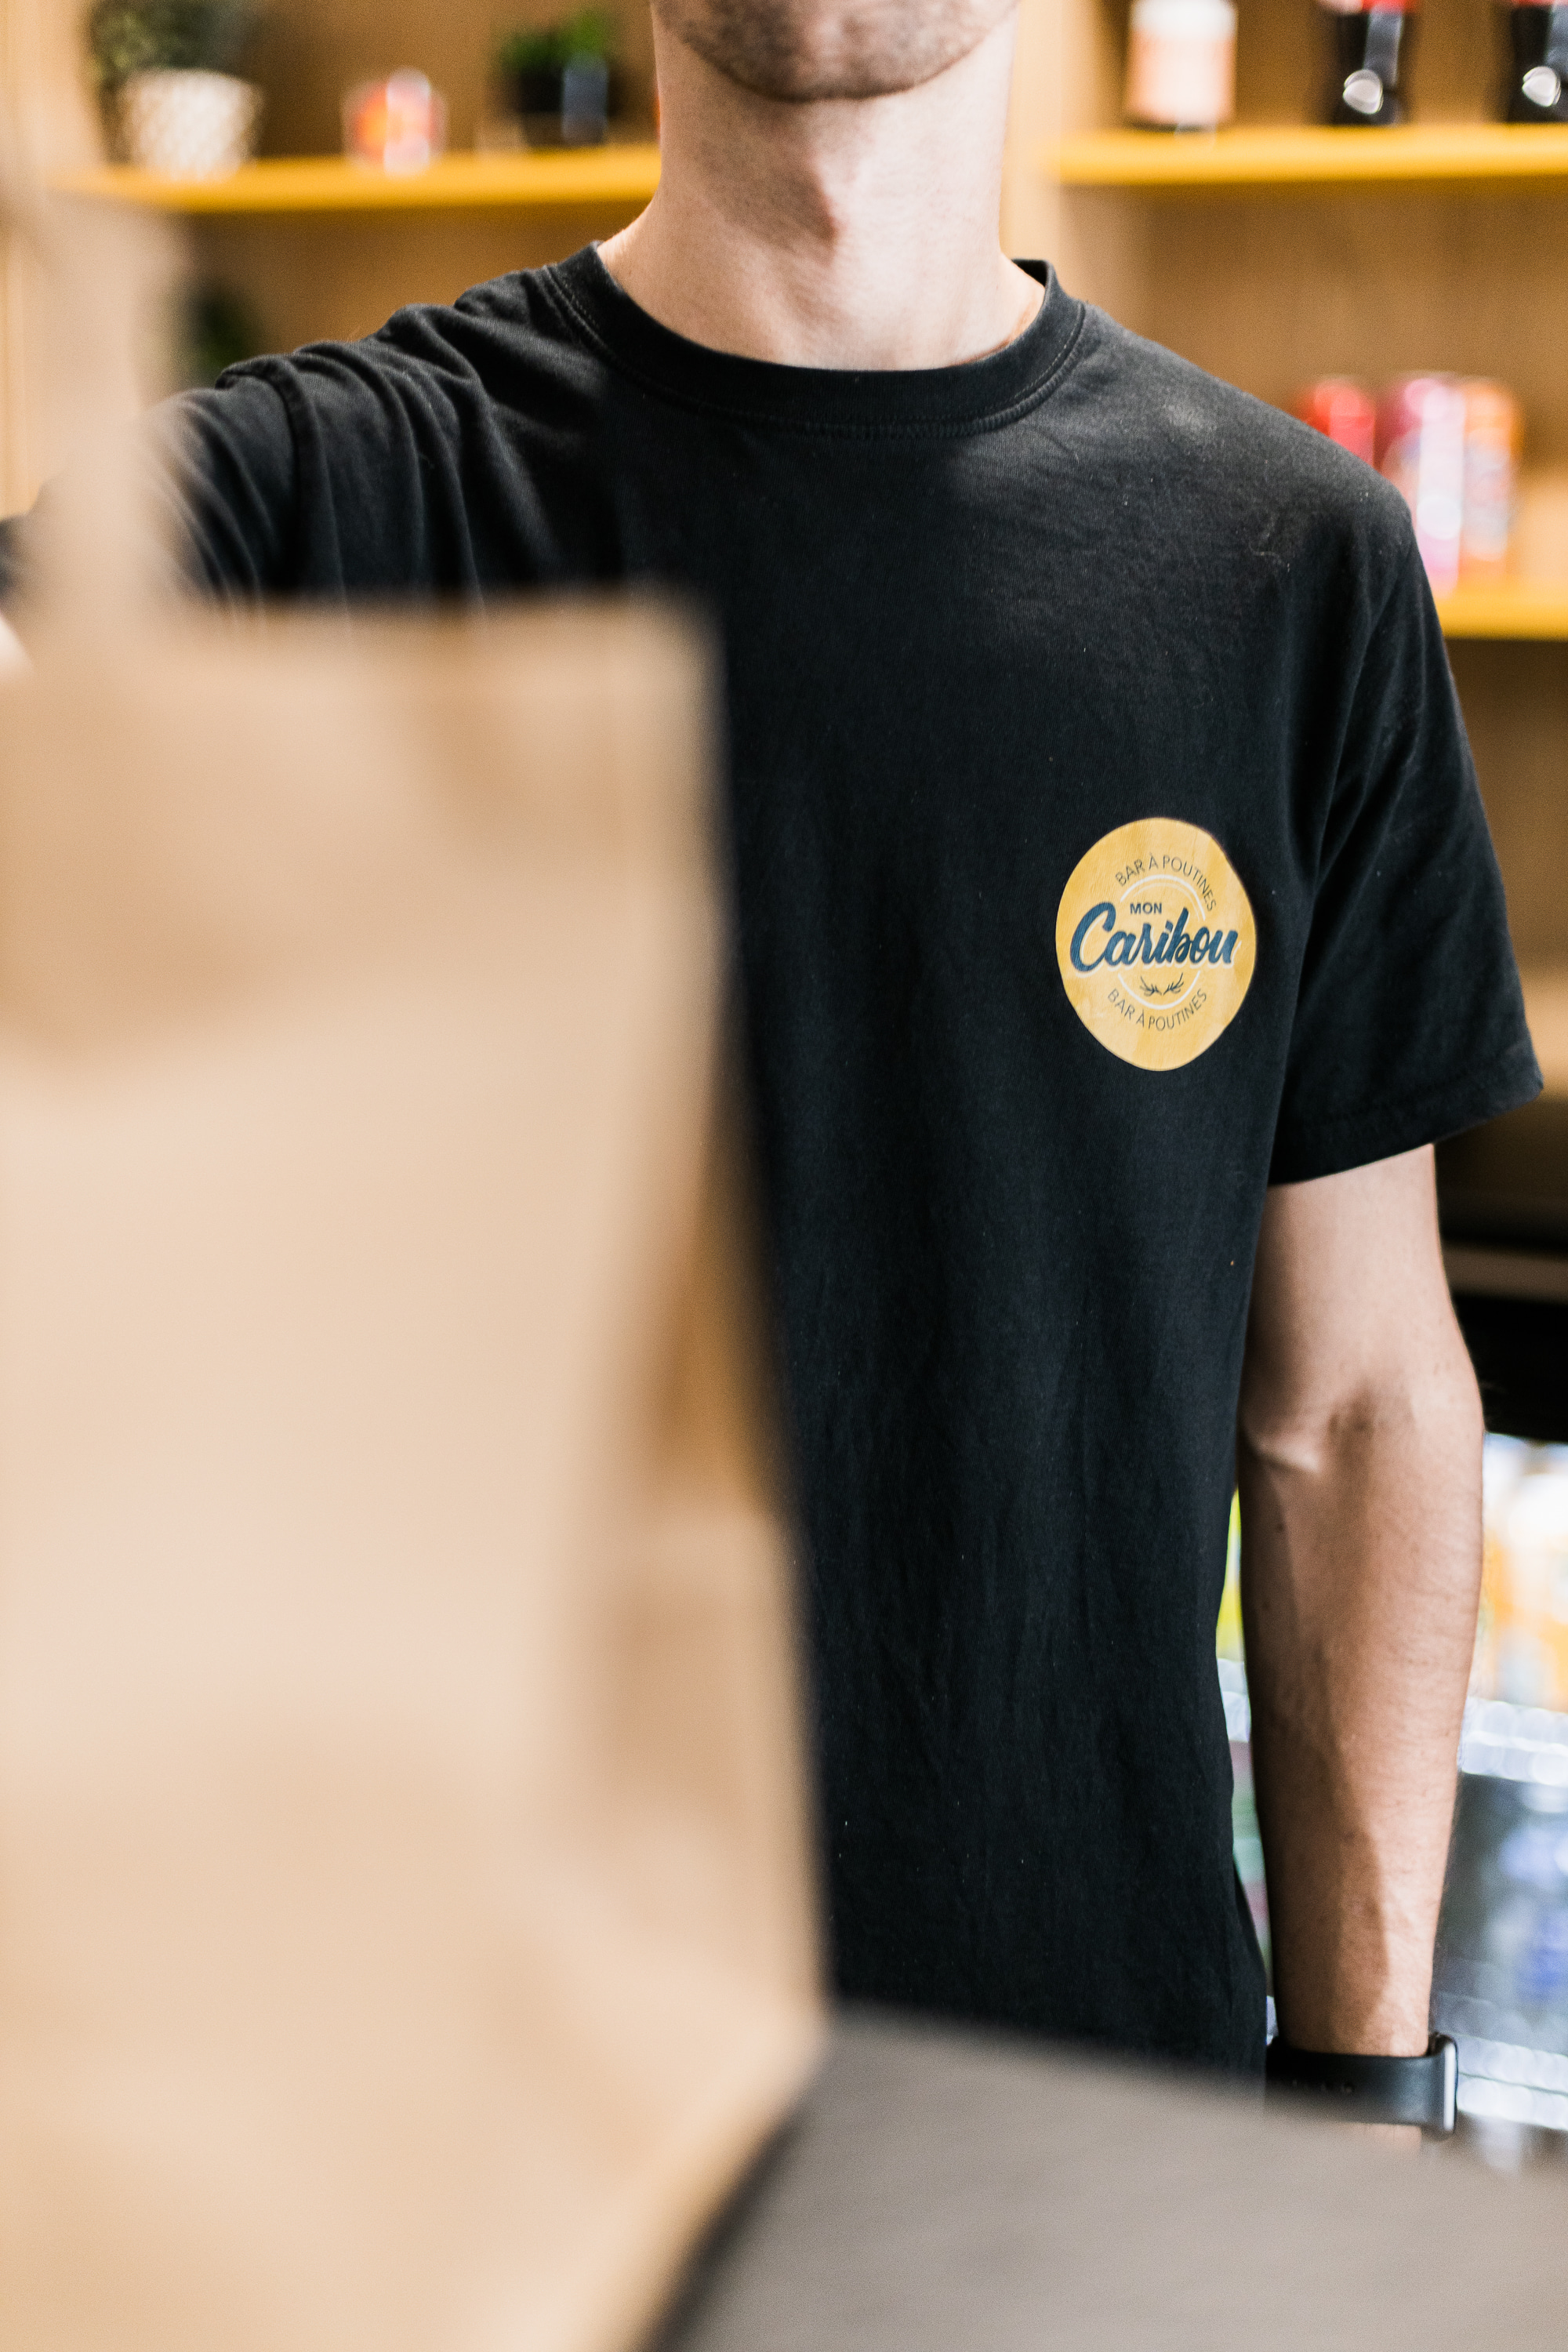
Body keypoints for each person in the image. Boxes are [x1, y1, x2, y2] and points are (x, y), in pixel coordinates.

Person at [0, 0, 1540, 2088]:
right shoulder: (292, 507)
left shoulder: (1295, 574)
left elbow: (1352, 1409)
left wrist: (1363, 2088)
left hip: (1088, 2120)